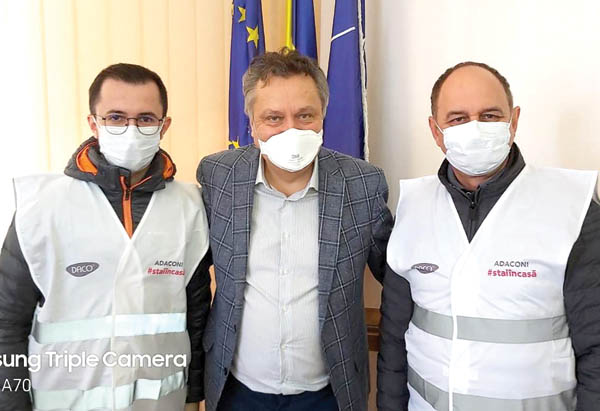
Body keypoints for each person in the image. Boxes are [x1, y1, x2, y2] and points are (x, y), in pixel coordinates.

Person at [377, 61, 600, 411]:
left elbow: (596, 348)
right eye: (458, 119)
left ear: (514, 121)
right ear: (436, 131)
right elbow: (393, 338)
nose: (475, 128)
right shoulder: (412, 206)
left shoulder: (573, 207)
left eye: (490, 116)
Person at [0, 63, 211, 411]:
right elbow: (7, 325)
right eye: (115, 117)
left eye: (145, 119)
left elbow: (197, 317)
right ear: (93, 123)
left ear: (164, 126)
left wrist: (193, 398)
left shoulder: (190, 207)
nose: (131, 129)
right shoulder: (41, 208)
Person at [197, 49, 393, 411]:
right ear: (252, 125)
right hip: (236, 390)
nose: (291, 129)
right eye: (273, 118)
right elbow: (192, 277)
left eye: (305, 116)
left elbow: (397, 280)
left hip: (329, 393)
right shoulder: (218, 177)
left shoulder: (362, 184)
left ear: (322, 117)